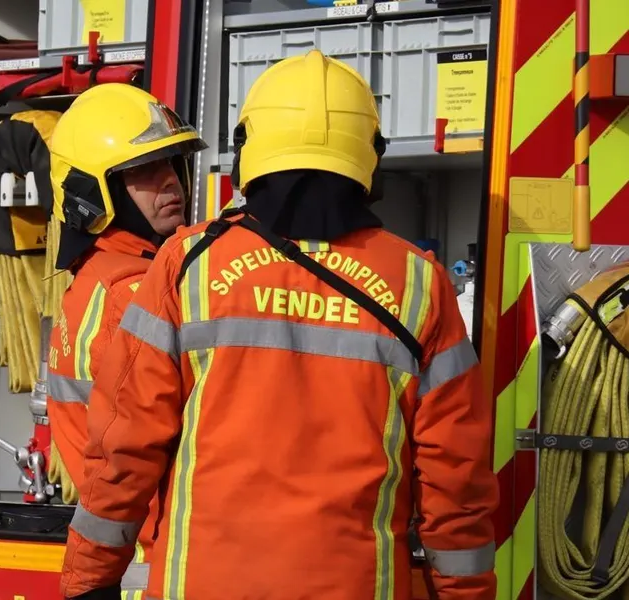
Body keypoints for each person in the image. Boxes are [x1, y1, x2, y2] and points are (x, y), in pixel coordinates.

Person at [60, 51, 499, 600]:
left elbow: (124, 446)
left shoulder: (186, 266)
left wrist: (88, 579)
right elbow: (456, 480)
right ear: (370, 155)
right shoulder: (419, 283)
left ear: (249, 149)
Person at [45, 82, 206, 599]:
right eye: (143, 172)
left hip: (132, 560)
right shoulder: (138, 291)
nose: (170, 184)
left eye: (173, 164)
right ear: (93, 193)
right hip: (164, 563)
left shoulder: (93, 278)